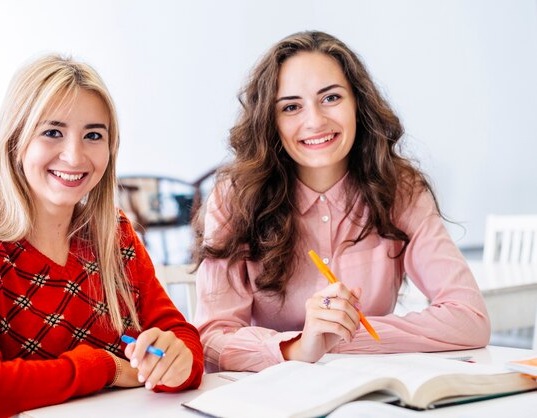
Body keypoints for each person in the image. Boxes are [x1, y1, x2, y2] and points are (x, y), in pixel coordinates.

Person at [193, 31, 490, 373]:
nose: (315, 121)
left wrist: (338, 338)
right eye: (291, 107)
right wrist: (298, 346)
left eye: (331, 98)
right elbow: (212, 339)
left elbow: (469, 318)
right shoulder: (234, 198)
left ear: (357, 104)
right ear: (270, 121)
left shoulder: (400, 189)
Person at [0, 54, 203, 418]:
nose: (74, 156)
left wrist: (178, 362)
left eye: (93, 135)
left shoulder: (115, 234)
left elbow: (181, 339)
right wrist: (106, 368)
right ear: (16, 140)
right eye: (52, 132)